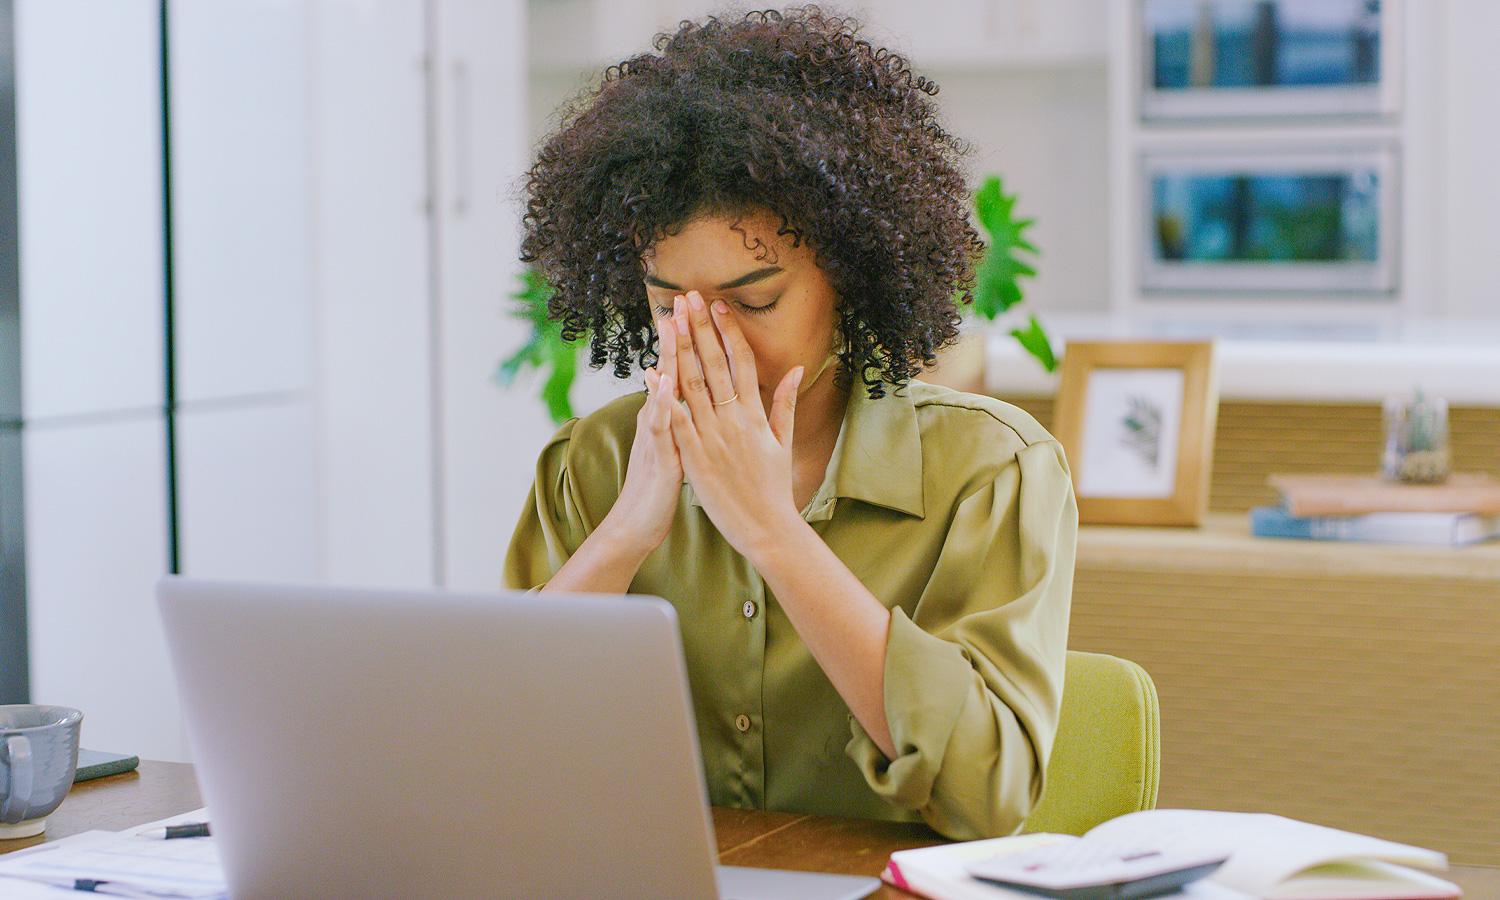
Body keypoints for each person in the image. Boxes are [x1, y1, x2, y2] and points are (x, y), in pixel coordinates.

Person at [504, 6, 1076, 841]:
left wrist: (773, 531)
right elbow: (498, 754)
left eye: (757, 300)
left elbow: (988, 795)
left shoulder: (991, 470)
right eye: (670, 305)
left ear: (847, 273)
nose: (710, 338)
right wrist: (625, 534)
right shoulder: (590, 463)